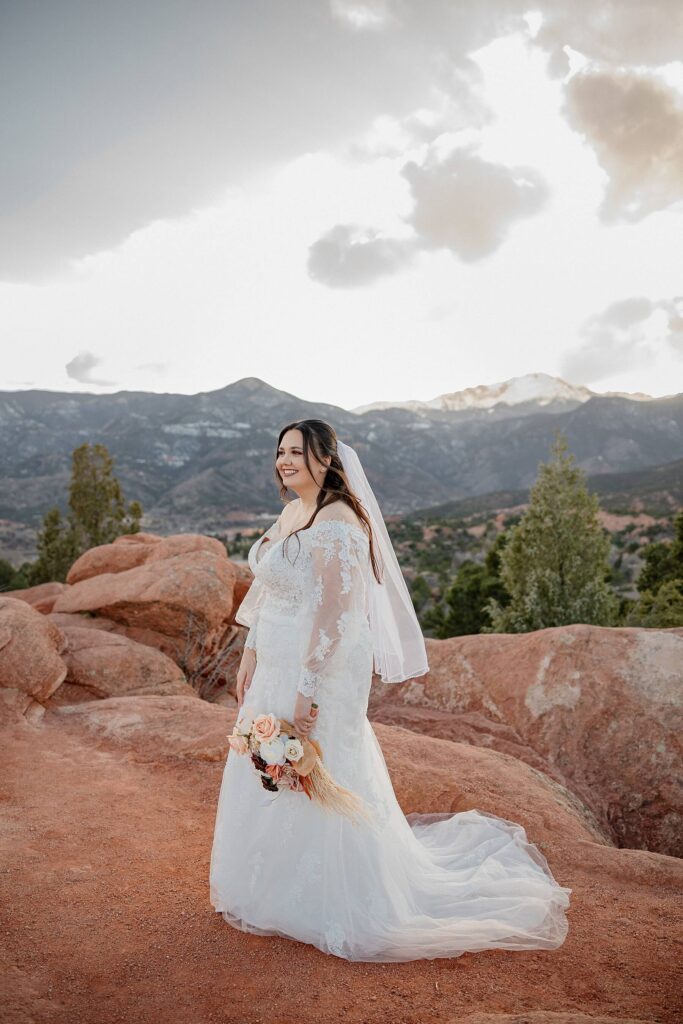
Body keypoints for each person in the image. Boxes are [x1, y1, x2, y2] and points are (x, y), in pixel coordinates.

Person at [209, 419, 571, 962]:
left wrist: (308, 689)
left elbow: (336, 613)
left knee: (319, 763)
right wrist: (250, 655)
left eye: (296, 452)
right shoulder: (291, 513)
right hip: (277, 659)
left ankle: (336, 899)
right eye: (279, 451)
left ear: (327, 460)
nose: (284, 461)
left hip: (320, 667)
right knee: (268, 762)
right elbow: (269, 591)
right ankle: (270, 885)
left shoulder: (339, 521)